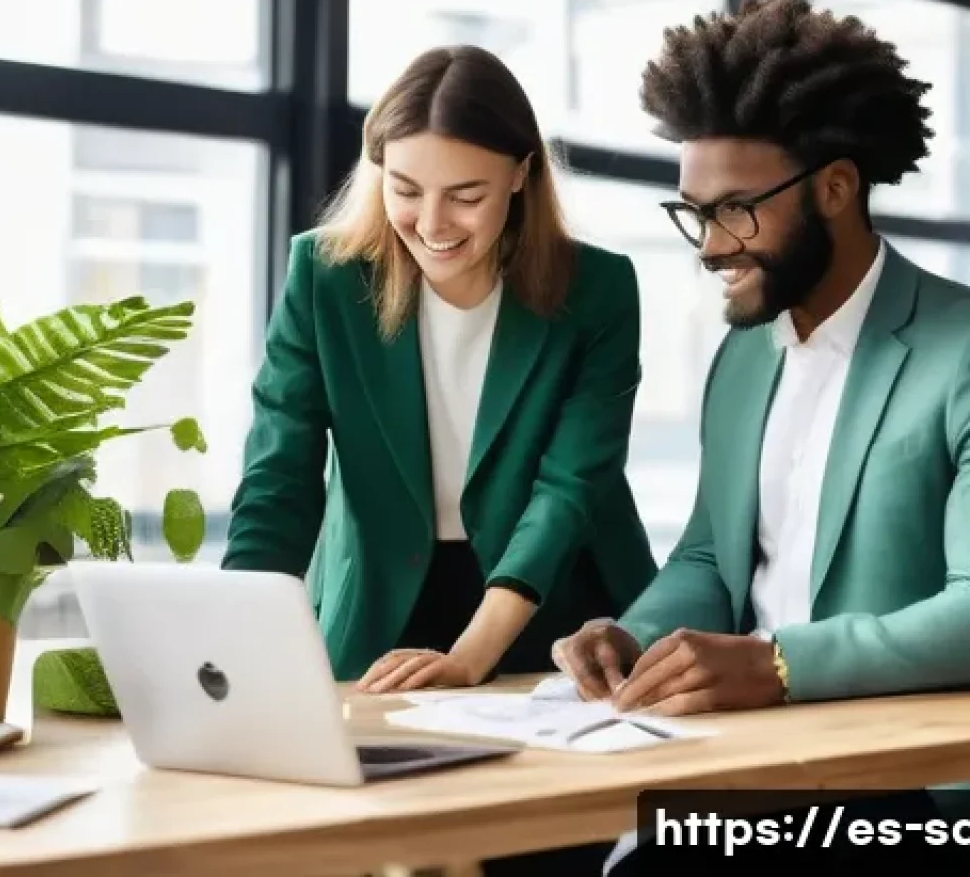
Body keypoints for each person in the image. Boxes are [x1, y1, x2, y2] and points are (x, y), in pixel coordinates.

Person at [550, 0, 970, 869]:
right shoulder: (744, 360)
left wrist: (779, 665)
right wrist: (635, 636)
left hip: (917, 795)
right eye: (695, 213)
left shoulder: (958, 351)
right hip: (754, 763)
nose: (709, 246)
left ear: (836, 187)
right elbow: (712, 556)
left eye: (736, 209)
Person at [222, 44, 656, 702]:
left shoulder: (596, 290)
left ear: (520, 175)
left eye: (465, 195)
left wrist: (471, 656)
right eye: (405, 190)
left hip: (557, 611)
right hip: (379, 608)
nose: (431, 225)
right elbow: (279, 475)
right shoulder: (325, 280)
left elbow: (569, 489)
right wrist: (233, 643)